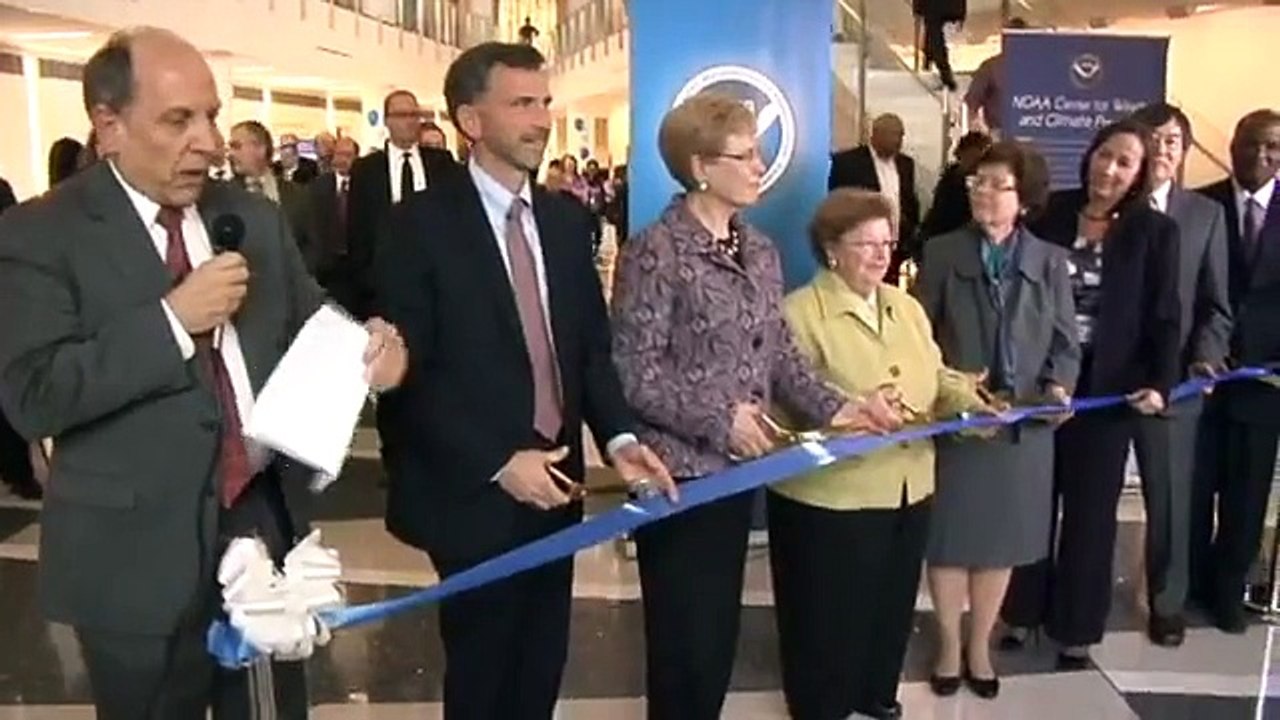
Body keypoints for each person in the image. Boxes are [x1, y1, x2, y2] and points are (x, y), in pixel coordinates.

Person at [0, 27, 407, 719]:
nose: (209, 142)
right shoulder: (40, 234)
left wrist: (375, 349)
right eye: (177, 119)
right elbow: (35, 395)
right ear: (109, 126)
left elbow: (316, 318)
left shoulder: (249, 216)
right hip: (132, 556)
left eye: (212, 115)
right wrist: (169, 321)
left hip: (261, 532)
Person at [376, 42, 675, 720]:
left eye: (544, 102)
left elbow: (589, 351)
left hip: (559, 483)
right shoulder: (417, 226)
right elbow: (409, 371)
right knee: (483, 674)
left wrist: (620, 437)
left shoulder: (567, 223)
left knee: (541, 666)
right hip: (472, 491)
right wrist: (496, 461)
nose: (541, 119)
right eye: (521, 104)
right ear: (470, 120)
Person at [611, 94, 894, 720]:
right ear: (700, 166)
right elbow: (634, 374)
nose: (760, 165)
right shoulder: (656, 252)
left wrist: (841, 406)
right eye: (745, 154)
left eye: (758, 152)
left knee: (715, 638)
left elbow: (782, 358)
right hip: (680, 477)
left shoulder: (761, 251)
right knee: (685, 642)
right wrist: (721, 419)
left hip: (741, 472)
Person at [773, 188, 996, 720]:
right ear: (831, 249)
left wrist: (972, 400)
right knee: (827, 611)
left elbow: (936, 374)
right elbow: (786, 407)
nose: (881, 254)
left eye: (887, 241)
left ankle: (875, 691)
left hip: (908, 485)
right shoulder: (799, 313)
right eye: (865, 243)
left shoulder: (906, 307)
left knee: (890, 602)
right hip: (832, 497)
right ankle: (820, 704)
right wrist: (846, 413)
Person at [1002, 120, 1181, 668]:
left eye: (1124, 162)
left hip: (1107, 397)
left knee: (1091, 516)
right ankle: (1019, 612)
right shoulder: (1049, 213)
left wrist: (1159, 383)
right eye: (1105, 155)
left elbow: (1166, 316)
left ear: (1141, 174)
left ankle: (1076, 627)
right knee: (1031, 506)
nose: (1110, 169)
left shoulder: (1155, 232)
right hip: (1040, 387)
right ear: (1089, 156)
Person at [916, 141, 1079, 698]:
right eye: (976, 182)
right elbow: (921, 341)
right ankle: (946, 642)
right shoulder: (940, 252)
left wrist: (1059, 386)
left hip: (1024, 427)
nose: (983, 193)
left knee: (1000, 543)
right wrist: (951, 393)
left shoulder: (1051, 260)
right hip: (960, 424)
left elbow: (1066, 340)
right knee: (950, 540)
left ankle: (980, 645)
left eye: (996, 184)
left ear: (1024, 198)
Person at [1128, 102, 1232, 646]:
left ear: (1184, 150)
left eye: (1172, 140)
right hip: (1102, 384)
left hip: (1174, 385)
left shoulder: (1205, 215)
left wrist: (1206, 358)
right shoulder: (1108, 205)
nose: (1163, 148)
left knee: (1169, 502)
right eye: (1152, 138)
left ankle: (1167, 603)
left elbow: (1217, 304)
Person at [1192, 109, 1280, 634]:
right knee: (1195, 490)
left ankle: (1228, 592)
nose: (1260, 156)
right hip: (1203, 376)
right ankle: (1189, 587)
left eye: (1272, 147)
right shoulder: (1200, 205)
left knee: (1247, 495)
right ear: (1232, 146)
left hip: (1266, 381)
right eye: (1251, 144)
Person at [920, 131, 992, 240]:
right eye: (972, 156)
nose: (974, 163)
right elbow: (939, 216)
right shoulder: (950, 181)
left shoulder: (986, 184)